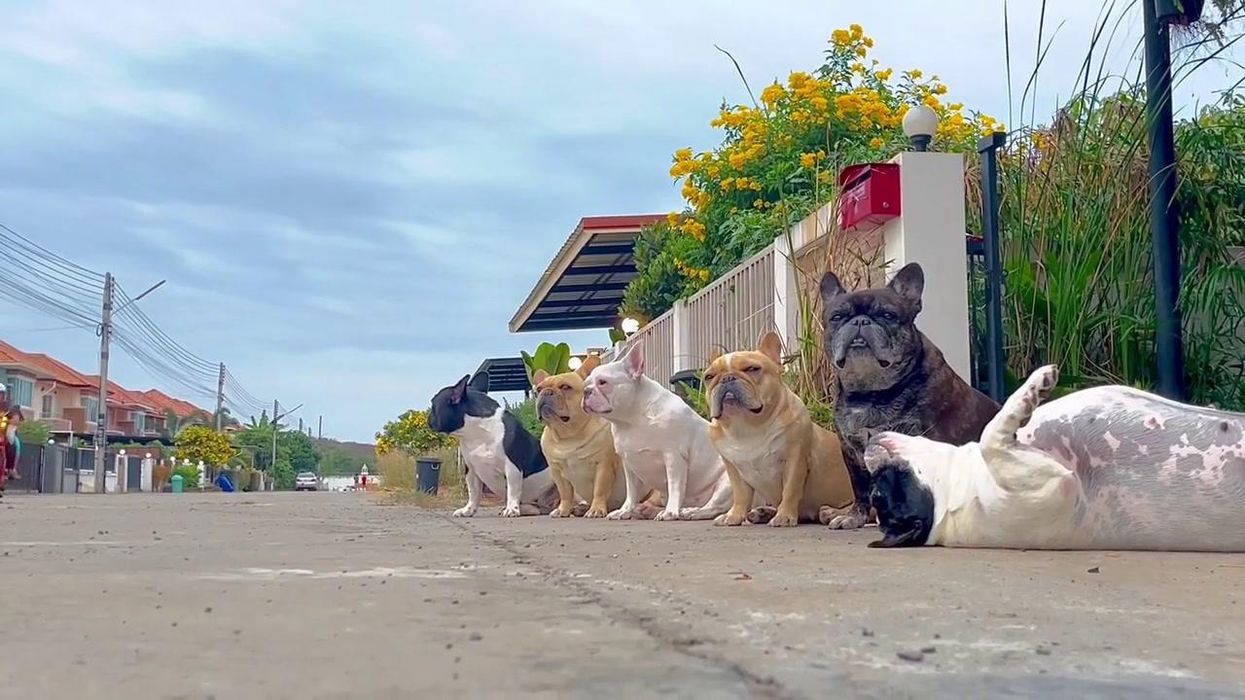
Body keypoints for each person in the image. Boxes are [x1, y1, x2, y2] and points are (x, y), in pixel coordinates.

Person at [0, 384, 23, 495]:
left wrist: (9, 420)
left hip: (4, 429)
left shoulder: (10, 406)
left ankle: (11, 468)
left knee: (12, 440)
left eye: (0, 394)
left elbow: (16, 419)